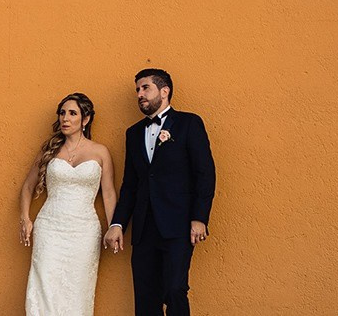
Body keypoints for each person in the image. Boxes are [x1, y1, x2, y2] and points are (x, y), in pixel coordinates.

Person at [105, 68, 217, 316]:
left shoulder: (189, 123)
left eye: (145, 88)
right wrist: (118, 224)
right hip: (144, 228)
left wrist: (199, 218)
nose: (139, 94)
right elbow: (130, 184)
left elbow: (205, 174)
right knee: (145, 296)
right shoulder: (133, 133)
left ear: (164, 91)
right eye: (137, 90)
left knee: (175, 289)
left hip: (178, 225)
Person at [19, 92, 117, 316]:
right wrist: (25, 218)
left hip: (84, 231)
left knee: (78, 290)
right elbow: (27, 187)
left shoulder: (100, 152)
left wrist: (114, 226)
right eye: (62, 113)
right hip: (50, 228)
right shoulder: (49, 150)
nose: (65, 118)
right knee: (44, 286)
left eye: (72, 113)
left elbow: (109, 193)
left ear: (85, 119)